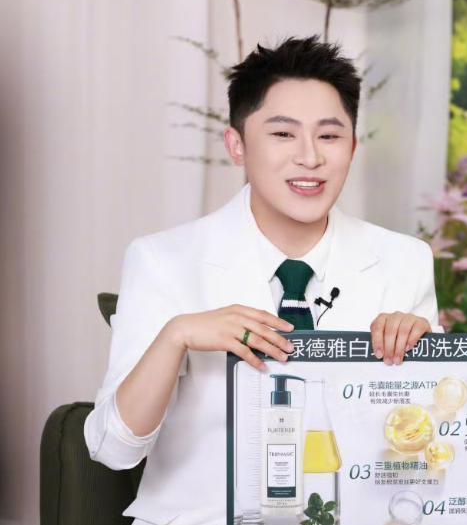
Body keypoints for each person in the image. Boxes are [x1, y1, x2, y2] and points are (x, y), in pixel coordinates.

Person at [84, 37, 442, 525]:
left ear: (353, 147)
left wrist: (426, 362)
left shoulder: (404, 261)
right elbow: (113, 449)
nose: (310, 157)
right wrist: (176, 336)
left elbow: (430, 448)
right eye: (283, 134)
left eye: (329, 136)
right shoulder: (163, 259)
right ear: (238, 145)